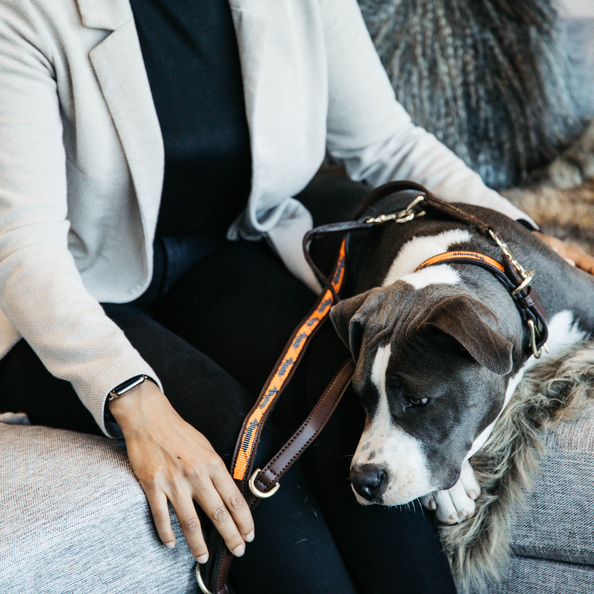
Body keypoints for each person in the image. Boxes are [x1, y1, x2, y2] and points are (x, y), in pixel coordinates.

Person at [0, 1, 592, 593]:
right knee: (244, 461)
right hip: (70, 295)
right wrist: (136, 403)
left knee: (338, 412)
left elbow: (390, 143)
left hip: (231, 247)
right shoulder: (27, 12)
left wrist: (525, 246)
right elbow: (24, 250)